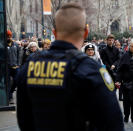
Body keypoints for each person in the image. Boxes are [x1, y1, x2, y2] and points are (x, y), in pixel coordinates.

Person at [16, 3, 124, 131]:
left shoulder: (30, 66)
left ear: (55, 33)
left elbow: (24, 119)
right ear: (85, 33)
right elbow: (113, 123)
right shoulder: (90, 70)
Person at [116, 42, 133, 123]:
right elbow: (120, 69)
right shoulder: (125, 56)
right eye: (132, 46)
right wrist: (118, 80)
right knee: (126, 101)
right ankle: (126, 116)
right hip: (126, 82)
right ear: (129, 47)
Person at [7, 30, 20, 104]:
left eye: (10, 36)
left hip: (15, 66)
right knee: (8, 82)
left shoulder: (15, 44)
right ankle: (10, 97)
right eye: (7, 36)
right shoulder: (3, 45)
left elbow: (19, 54)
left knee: (16, 81)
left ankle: (11, 92)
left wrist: (18, 63)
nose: (9, 37)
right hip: (7, 67)